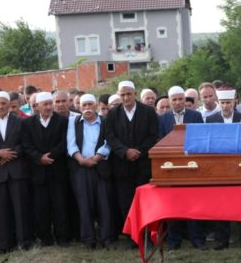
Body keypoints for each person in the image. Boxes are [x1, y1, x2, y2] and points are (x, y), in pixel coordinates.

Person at [105, 81, 158, 244]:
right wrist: (125, 151)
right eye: (123, 95)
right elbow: (110, 136)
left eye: (129, 94)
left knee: (145, 202)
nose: (126, 97)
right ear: (119, 95)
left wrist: (138, 152)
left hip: (142, 165)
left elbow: (152, 135)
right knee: (126, 202)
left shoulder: (148, 112)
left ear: (135, 93)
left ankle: (147, 235)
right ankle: (132, 237)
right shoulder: (113, 114)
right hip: (122, 165)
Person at [204, 88, 241, 251]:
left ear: (234, 103)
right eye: (223, 103)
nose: (226, 106)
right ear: (218, 103)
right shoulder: (211, 119)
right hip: (220, 167)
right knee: (221, 203)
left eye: (228, 103)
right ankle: (222, 240)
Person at [0, 91, 31, 253]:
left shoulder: (20, 121)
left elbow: (25, 144)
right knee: (1, 210)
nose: (1, 106)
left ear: (9, 104)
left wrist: (9, 155)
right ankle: (5, 244)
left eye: (4, 103)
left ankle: (24, 242)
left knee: (20, 208)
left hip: (17, 171)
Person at [158, 86, 207, 250]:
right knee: (173, 204)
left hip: (191, 166)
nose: (178, 102)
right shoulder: (162, 118)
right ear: (170, 101)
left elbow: (201, 139)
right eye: (174, 99)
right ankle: (174, 241)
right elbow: (159, 141)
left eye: (181, 99)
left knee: (194, 204)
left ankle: (197, 239)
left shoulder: (195, 116)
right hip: (171, 167)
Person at [21, 91, 70, 247]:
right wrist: (39, 157)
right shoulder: (28, 123)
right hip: (38, 171)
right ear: (37, 106)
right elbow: (26, 145)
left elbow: (64, 142)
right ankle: (45, 238)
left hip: (57, 170)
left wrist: (51, 155)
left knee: (60, 205)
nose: (49, 107)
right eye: (45, 104)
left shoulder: (62, 121)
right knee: (41, 207)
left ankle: (62, 237)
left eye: (50, 104)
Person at [67, 94, 114, 249]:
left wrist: (97, 157)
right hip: (81, 168)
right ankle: (88, 240)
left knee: (104, 204)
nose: (87, 108)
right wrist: (81, 159)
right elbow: (71, 144)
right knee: (84, 204)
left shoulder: (105, 121)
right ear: (80, 107)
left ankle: (106, 238)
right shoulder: (74, 122)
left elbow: (109, 142)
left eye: (90, 104)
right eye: (84, 105)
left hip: (100, 167)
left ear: (96, 106)